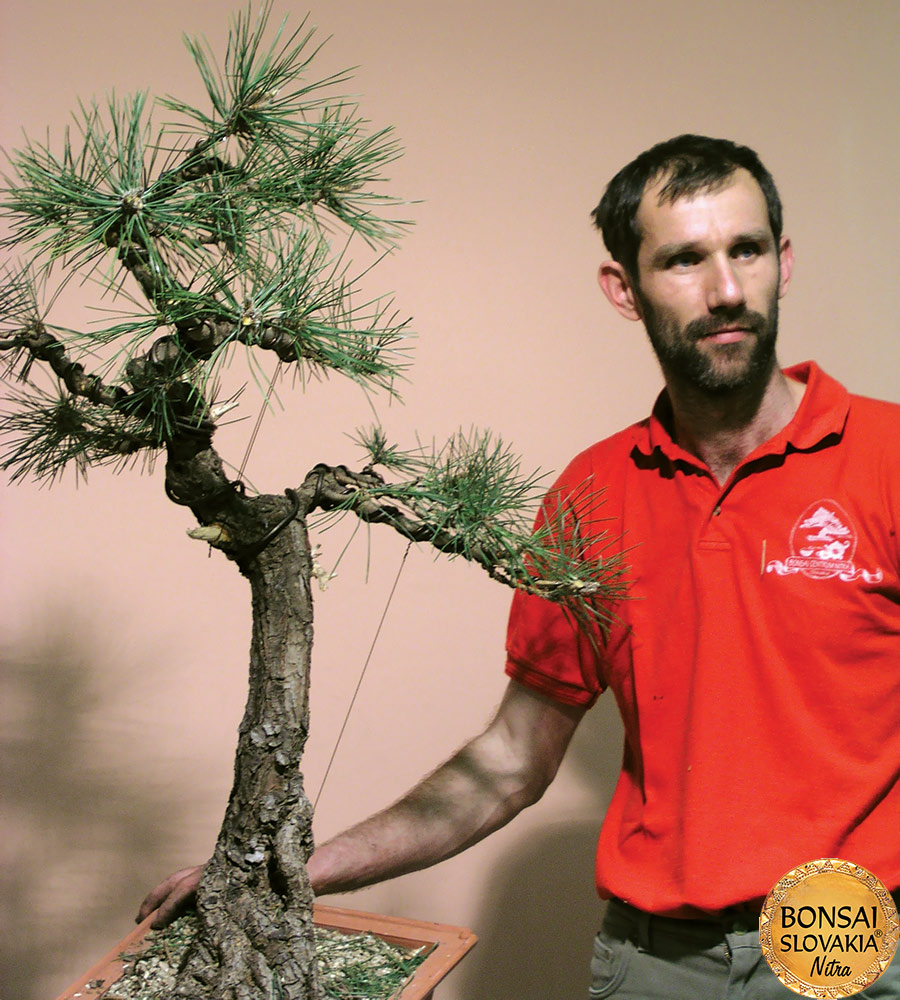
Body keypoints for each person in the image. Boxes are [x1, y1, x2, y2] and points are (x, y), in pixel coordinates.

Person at [138, 135, 900, 998]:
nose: (727, 289)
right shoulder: (595, 493)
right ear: (624, 289)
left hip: (854, 945)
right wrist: (293, 873)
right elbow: (511, 758)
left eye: (747, 250)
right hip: (655, 966)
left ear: (783, 262)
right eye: (685, 260)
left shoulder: (888, 458)